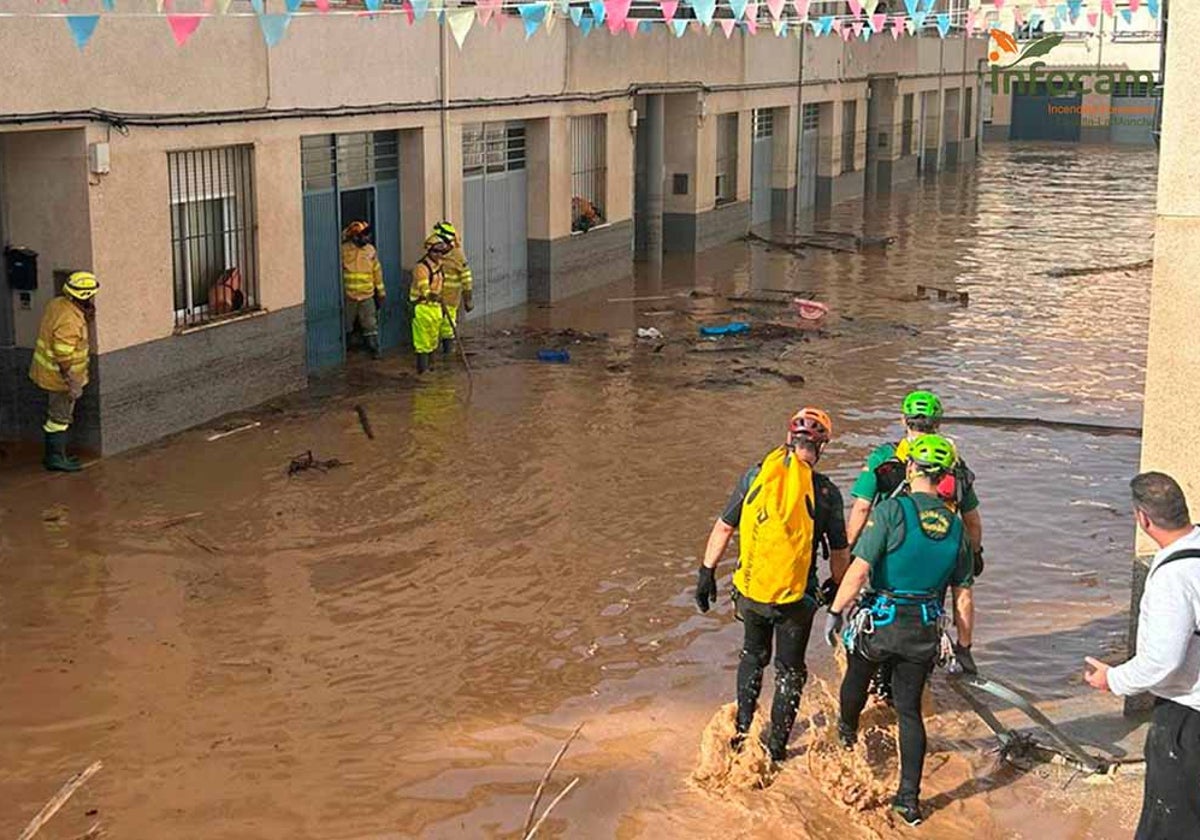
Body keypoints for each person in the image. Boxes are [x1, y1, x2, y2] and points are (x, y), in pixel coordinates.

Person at [825, 433, 975, 827]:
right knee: (909, 712)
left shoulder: (892, 512)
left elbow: (858, 571)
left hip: (881, 624)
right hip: (923, 632)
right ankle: (909, 801)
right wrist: (964, 647)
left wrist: (836, 612)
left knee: (856, 680)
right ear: (945, 476)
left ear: (910, 469)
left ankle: (845, 736)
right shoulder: (955, 526)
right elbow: (962, 597)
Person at [695, 408, 850, 762]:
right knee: (789, 670)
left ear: (788, 438)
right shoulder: (825, 492)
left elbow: (723, 527)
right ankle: (777, 749)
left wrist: (706, 572)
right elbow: (840, 552)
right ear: (822, 445)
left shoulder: (755, 476)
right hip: (796, 601)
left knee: (752, 656)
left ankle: (742, 733)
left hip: (750, 593)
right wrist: (837, 586)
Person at [846, 390, 982, 703]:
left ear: (903, 420)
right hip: (942, 551)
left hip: (890, 549)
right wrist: (974, 554)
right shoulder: (953, 463)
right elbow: (972, 519)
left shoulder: (884, 457)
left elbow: (862, 508)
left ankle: (879, 687)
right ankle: (912, 686)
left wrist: (852, 551)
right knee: (927, 619)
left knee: (882, 613)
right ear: (938, 423)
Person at [1084, 472, 1200, 840]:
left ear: (1143, 519)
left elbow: (1163, 660)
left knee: (1168, 821)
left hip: (1187, 715)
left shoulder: (1172, 576)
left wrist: (1113, 680)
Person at [28, 271, 98, 472]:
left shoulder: (58, 304)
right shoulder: (70, 321)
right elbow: (63, 355)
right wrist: (71, 381)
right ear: (84, 296)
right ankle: (55, 458)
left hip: (50, 374)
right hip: (60, 380)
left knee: (58, 416)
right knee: (59, 418)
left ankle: (58, 455)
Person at [341, 221, 386, 360]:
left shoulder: (370, 250)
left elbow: (377, 271)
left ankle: (374, 349)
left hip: (367, 295)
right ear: (355, 237)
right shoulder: (343, 250)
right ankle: (345, 349)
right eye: (363, 235)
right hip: (348, 296)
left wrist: (381, 292)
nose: (367, 238)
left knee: (370, 324)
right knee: (346, 324)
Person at [409, 234, 452, 374]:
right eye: (436, 251)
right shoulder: (421, 268)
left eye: (441, 252)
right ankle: (423, 371)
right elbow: (424, 288)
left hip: (435, 309)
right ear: (429, 251)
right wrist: (433, 296)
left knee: (433, 341)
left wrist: (443, 305)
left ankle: (431, 370)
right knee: (423, 342)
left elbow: (441, 287)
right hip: (422, 308)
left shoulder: (439, 267)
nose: (439, 254)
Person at [431, 221, 474, 356]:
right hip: (433, 300)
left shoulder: (458, 257)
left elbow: (467, 279)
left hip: (450, 300)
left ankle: (447, 354)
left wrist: (468, 300)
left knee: (447, 329)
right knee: (431, 328)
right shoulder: (434, 254)